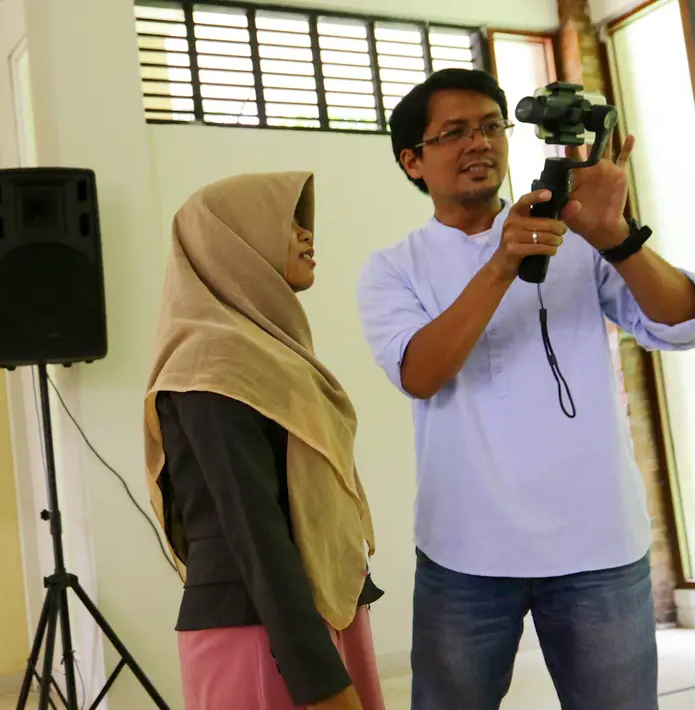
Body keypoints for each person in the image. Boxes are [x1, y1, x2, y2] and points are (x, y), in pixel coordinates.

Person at [357, 68, 695, 710]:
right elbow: (420, 372)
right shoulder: (392, 267)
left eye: (490, 126)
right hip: (465, 553)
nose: (479, 142)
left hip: (598, 545)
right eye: (453, 132)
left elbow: (680, 322)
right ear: (413, 161)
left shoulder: (580, 239)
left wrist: (617, 237)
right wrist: (504, 262)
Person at [144, 172, 385, 710]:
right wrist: (320, 681)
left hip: (317, 615)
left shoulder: (270, 353)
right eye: (287, 222)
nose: (306, 235)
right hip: (261, 631)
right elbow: (254, 532)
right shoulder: (212, 364)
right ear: (230, 243)